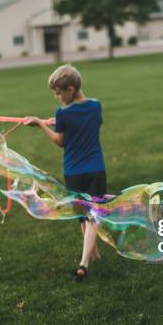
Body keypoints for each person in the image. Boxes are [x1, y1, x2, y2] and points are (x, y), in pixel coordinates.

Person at [24, 64, 107, 281]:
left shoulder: (62, 113)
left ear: (70, 90)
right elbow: (85, 123)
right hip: (96, 170)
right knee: (92, 215)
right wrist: (59, 122)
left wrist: (42, 124)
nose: (57, 98)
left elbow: (59, 141)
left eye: (58, 93)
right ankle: (94, 254)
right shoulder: (96, 106)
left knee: (83, 215)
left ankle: (84, 262)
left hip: (74, 172)